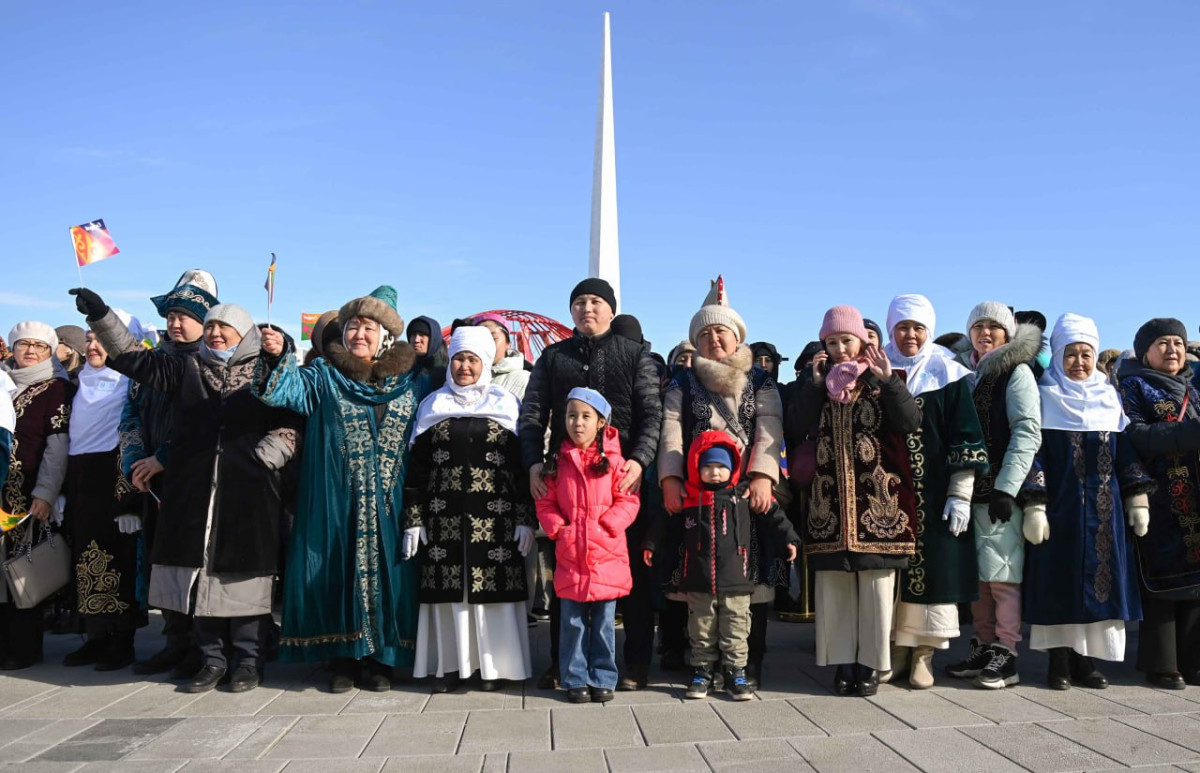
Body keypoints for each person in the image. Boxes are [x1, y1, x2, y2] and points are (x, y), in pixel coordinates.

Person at [76, 288, 301, 694]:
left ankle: (248, 661)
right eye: (211, 326)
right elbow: (133, 358)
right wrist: (102, 316)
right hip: (192, 490)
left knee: (244, 576)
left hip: (248, 490)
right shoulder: (186, 369)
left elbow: (293, 418)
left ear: (245, 333)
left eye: (225, 327)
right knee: (199, 576)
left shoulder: (266, 373)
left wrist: (271, 453)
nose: (215, 333)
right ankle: (212, 659)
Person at [257, 286, 429, 692]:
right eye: (352, 327)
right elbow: (281, 392)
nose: (358, 335)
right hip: (334, 499)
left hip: (391, 501)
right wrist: (277, 353)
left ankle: (382, 660)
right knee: (336, 569)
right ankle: (341, 660)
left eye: (369, 328)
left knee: (393, 577)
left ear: (386, 336)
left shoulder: (412, 384)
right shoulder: (324, 377)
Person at [518, 277, 662, 690]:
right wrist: (532, 463)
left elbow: (651, 413)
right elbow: (532, 414)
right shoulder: (553, 356)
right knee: (568, 574)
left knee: (628, 574)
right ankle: (564, 664)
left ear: (611, 310)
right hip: (567, 480)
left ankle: (634, 664)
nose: (587, 309)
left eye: (596, 301)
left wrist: (640, 460)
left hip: (622, 480)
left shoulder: (634, 354)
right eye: (579, 302)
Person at [785, 305, 922, 697]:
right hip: (830, 507)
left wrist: (889, 383)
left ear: (861, 341)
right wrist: (813, 385)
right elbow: (795, 427)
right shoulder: (817, 386)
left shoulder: (885, 380)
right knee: (834, 590)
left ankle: (870, 664)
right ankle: (843, 663)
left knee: (876, 590)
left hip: (879, 506)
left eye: (847, 340)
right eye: (832, 341)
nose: (842, 349)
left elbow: (911, 422)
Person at [658, 277, 785, 688]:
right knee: (692, 575)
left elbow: (769, 427)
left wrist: (763, 476)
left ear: (737, 336)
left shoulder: (761, 382)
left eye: (721, 331)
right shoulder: (682, 381)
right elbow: (671, 430)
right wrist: (671, 478)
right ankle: (696, 661)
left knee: (754, 576)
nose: (715, 339)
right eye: (706, 333)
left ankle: (750, 661)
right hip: (697, 494)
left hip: (747, 491)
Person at [1021, 313, 1152, 690]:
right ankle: (1058, 661)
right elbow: (1035, 455)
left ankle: (1087, 661)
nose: (1079, 362)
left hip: (1105, 514)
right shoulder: (1045, 398)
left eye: (1086, 354)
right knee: (1060, 584)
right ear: (1059, 355)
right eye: (1071, 354)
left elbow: (1125, 453)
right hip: (1059, 512)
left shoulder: (1108, 398)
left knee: (1100, 585)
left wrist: (1137, 499)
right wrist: (1034, 504)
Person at [401, 327, 535, 692]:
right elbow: (417, 470)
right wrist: (413, 520)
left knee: (492, 599)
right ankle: (450, 667)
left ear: (485, 363)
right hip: (442, 520)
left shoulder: (506, 405)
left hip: (496, 521)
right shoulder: (432, 406)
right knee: (449, 599)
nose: (464, 367)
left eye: (472, 360)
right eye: (459, 359)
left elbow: (520, 469)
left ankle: (491, 669)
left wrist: (525, 519)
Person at [882, 295, 988, 689]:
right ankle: (894, 648)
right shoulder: (878, 369)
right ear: (891, 328)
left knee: (935, 572)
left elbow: (966, 437)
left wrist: (961, 493)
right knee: (891, 574)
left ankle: (924, 652)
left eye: (918, 328)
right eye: (903, 327)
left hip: (935, 491)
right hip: (888, 492)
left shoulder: (950, 374)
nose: (911, 335)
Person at [120, 269, 219, 677]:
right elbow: (130, 412)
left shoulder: (210, 363)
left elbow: (203, 422)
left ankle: (201, 645)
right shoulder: (154, 361)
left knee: (193, 562)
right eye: (171, 315)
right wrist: (135, 460)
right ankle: (174, 640)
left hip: (193, 478)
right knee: (161, 562)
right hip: (151, 479)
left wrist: (162, 456)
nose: (176, 323)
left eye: (185, 316)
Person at [652, 430, 797, 700]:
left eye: (721, 467)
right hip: (699, 579)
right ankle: (702, 672)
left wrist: (789, 539)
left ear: (732, 468)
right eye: (708, 466)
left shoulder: (741, 494)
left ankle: (736, 673)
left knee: (736, 628)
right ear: (697, 467)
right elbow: (664, 525)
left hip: (736, 578)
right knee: (701, 629)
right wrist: (650, 545)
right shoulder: (689, 497)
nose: (715, 472)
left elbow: (774, 514)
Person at [948, 302, 1042, 689]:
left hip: (999, 491)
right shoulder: (964, 373)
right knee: (978, 578)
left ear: (1008, 334)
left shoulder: (1015, 372)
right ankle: (984, 643)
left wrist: (1008, 486)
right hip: (966, 491)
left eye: (994, 327)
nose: (985, 333)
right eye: (978, 327)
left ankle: (1007, 651)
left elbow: (1027, 430)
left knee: (1004, 576)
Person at [535, 387, 639, 703]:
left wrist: (609, 525)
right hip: (571, 555)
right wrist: (559, 528)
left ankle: (604, 676)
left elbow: (628, 499)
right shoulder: (558, 462)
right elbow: (546, 502)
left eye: (585, 416)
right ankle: (575, 676)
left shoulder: (615, 462)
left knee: (605, 624)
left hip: (607, 556)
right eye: (571, 416)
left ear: (600, 423)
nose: (577, 423)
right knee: (572, 623)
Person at [1118, 317, 1200, 689]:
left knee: (1197, 583)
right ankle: (1162, 664)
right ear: (1145, 352)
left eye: (1178, 344)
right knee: (1162, 583)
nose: (1173, 350)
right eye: (1163, 343)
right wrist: (1190, 433)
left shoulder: (1192, 388)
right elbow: (1135, 434)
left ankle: (1194, 660)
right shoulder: (1132, 386)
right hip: (1160, 496)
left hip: (1195, 497)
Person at [62, 317, 146, 671]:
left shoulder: (131, 384)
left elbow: (136, 436)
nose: (93, 346)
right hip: (83, 483)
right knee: (86, 560)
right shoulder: (78, 383)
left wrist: (131, 503)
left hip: (116, 484)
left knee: (119, 561)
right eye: (90, 339)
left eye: (102, 340)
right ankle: (95, 636)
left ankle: (121, 640)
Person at [0, 321, 74, 670]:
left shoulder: (56, 390)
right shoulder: (5, 384)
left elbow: (56, 447)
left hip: (27, 495)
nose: (30, 351)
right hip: (1, 493)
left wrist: (45, 492)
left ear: (50, 351)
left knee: (22, 570)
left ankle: (24, 649)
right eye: (23, 345)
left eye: (39, 346)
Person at [472, 313, 530, 400]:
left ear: (508, 344)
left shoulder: (527, 380)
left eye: (493, 338)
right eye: (479, 339)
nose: (486, 344)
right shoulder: (459, 378)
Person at [408, 315, 448, 389]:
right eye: (413, 335)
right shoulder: (403, 370)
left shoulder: (448, 374)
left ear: (433, 339)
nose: (416, 340)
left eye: (422, 335)